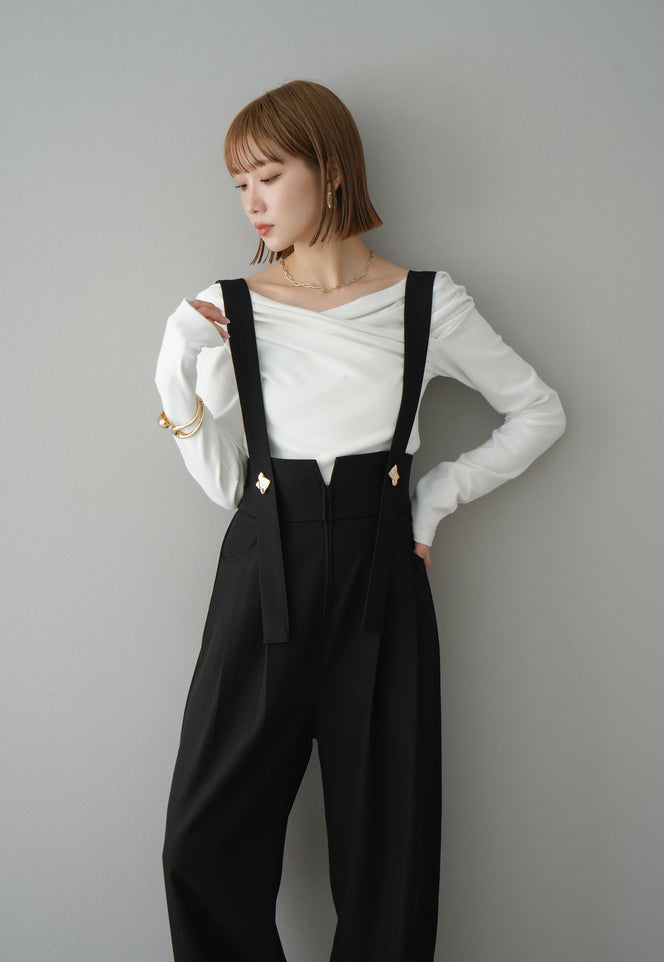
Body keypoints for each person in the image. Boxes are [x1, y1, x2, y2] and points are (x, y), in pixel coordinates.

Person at [154, 79, 565, 962]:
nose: (252, 202)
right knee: (202, 844)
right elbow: (229, 486)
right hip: (264, 571)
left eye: (269, 176)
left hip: (382, 575)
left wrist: (433, 500)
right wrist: (172, 373)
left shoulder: (425, 303)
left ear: (331, 170)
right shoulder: (230, 309)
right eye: (239, 184)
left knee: (389, 851)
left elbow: (539, 411)